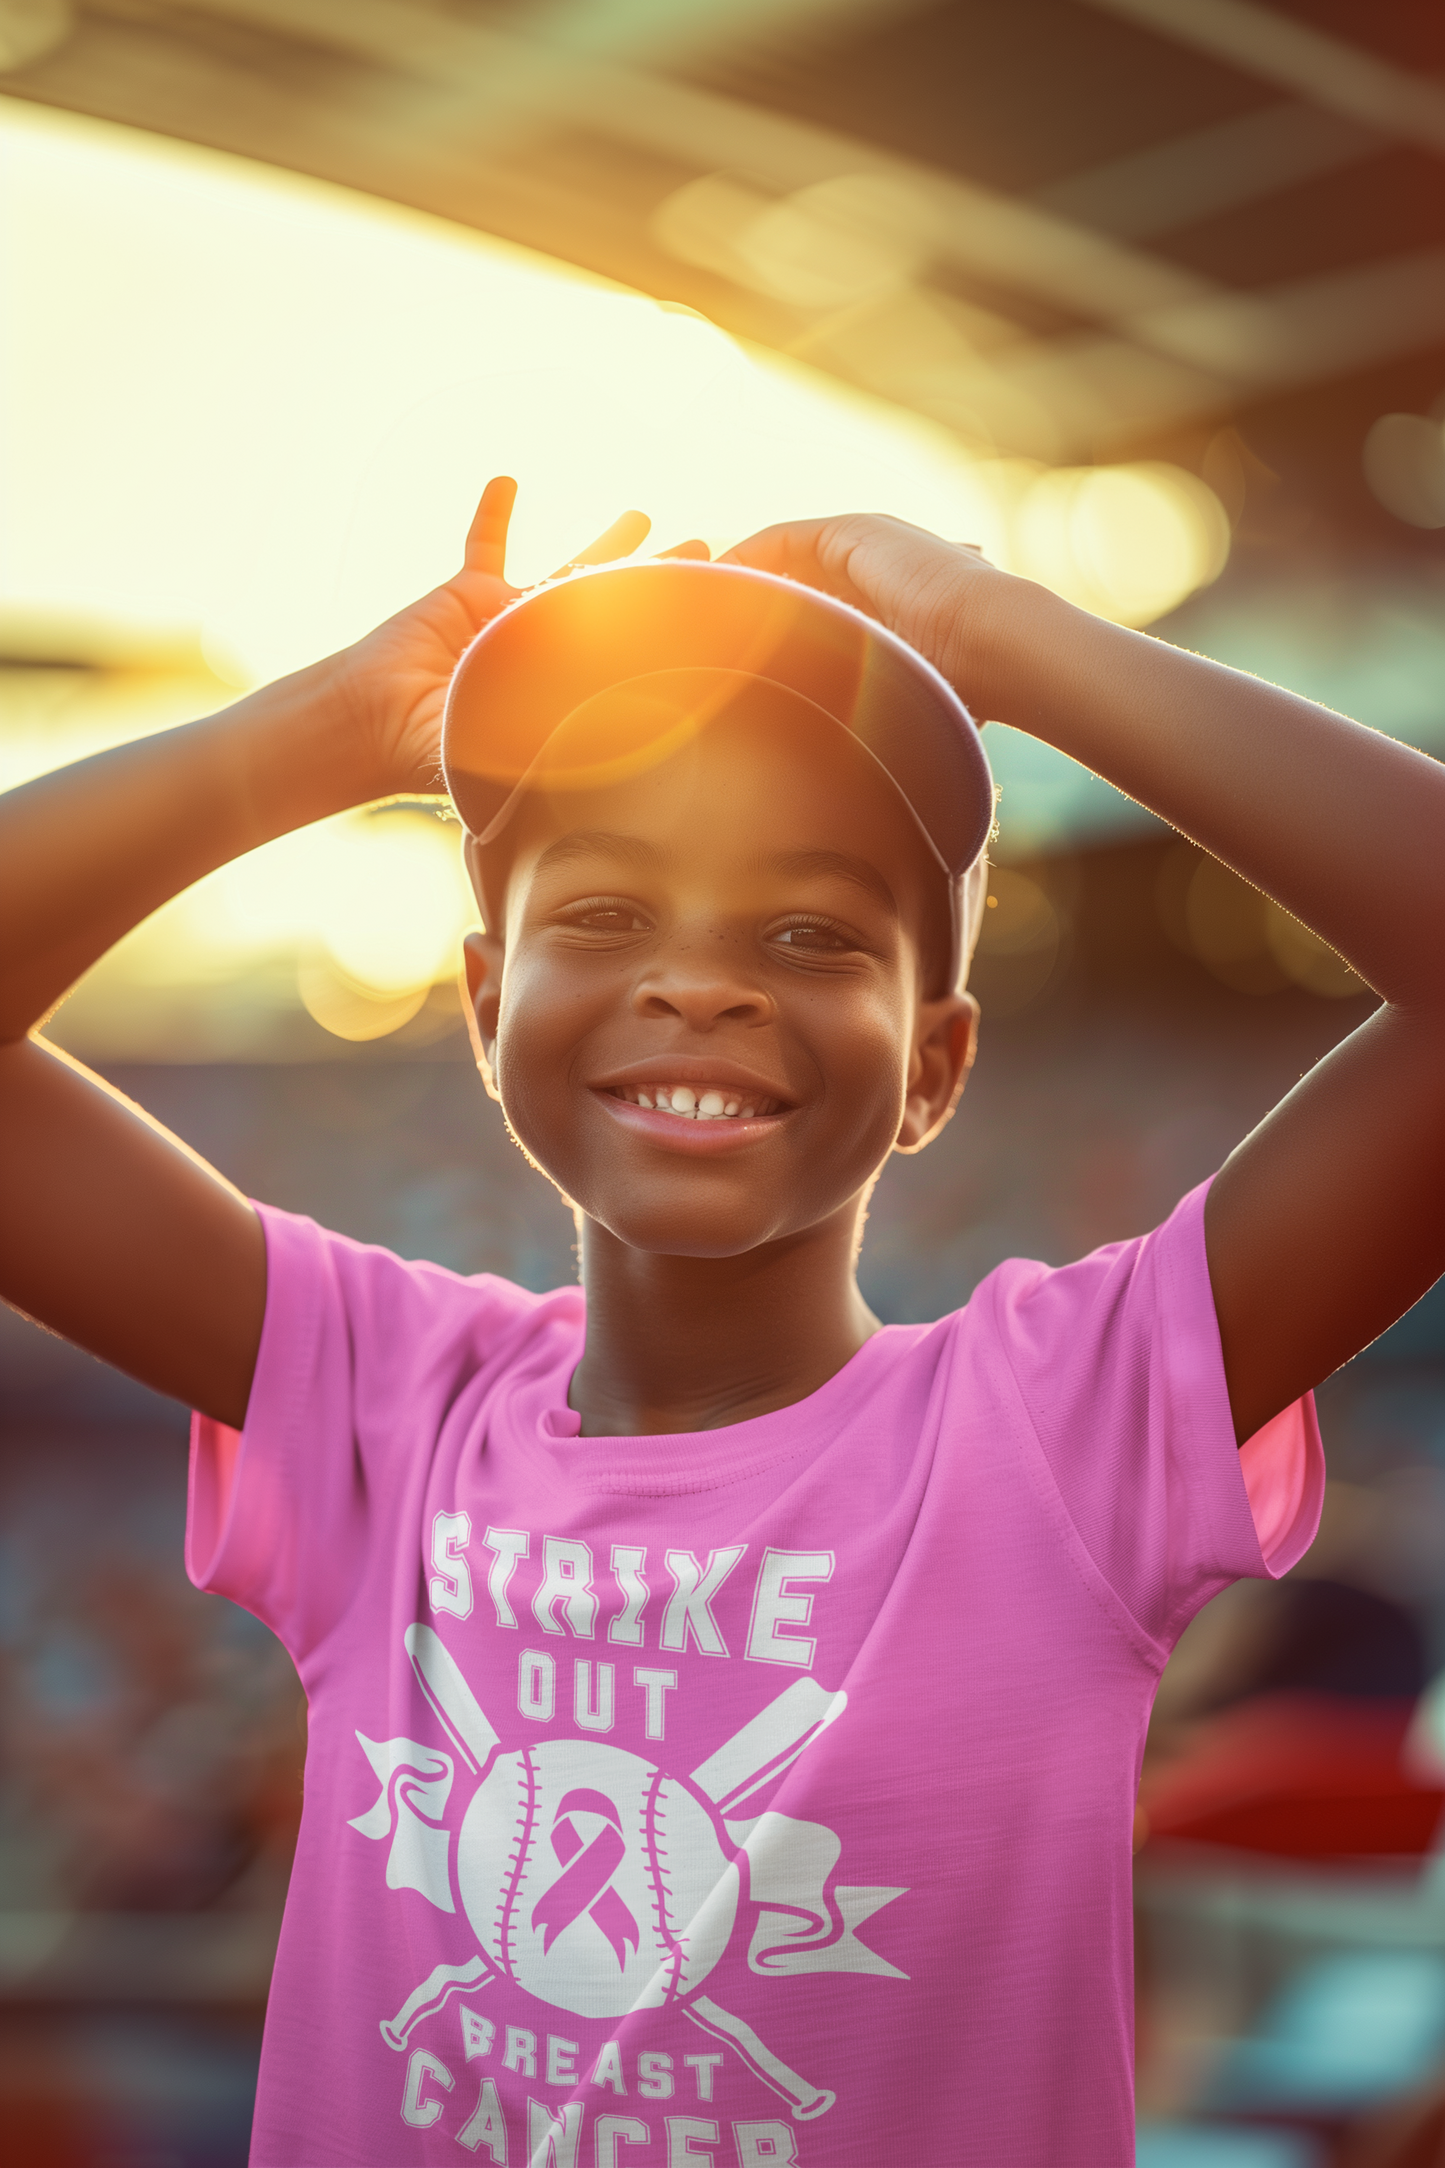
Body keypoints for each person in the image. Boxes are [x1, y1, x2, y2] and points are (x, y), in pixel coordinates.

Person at [2, 473, 1442, 2168]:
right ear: (484, 1002)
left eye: (814, 930)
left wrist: (1008, 637)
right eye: (606, 912)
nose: (701, 979)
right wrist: (304, 741)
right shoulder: (382, 1404)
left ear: (936, 1063)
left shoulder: (1057, 1429)